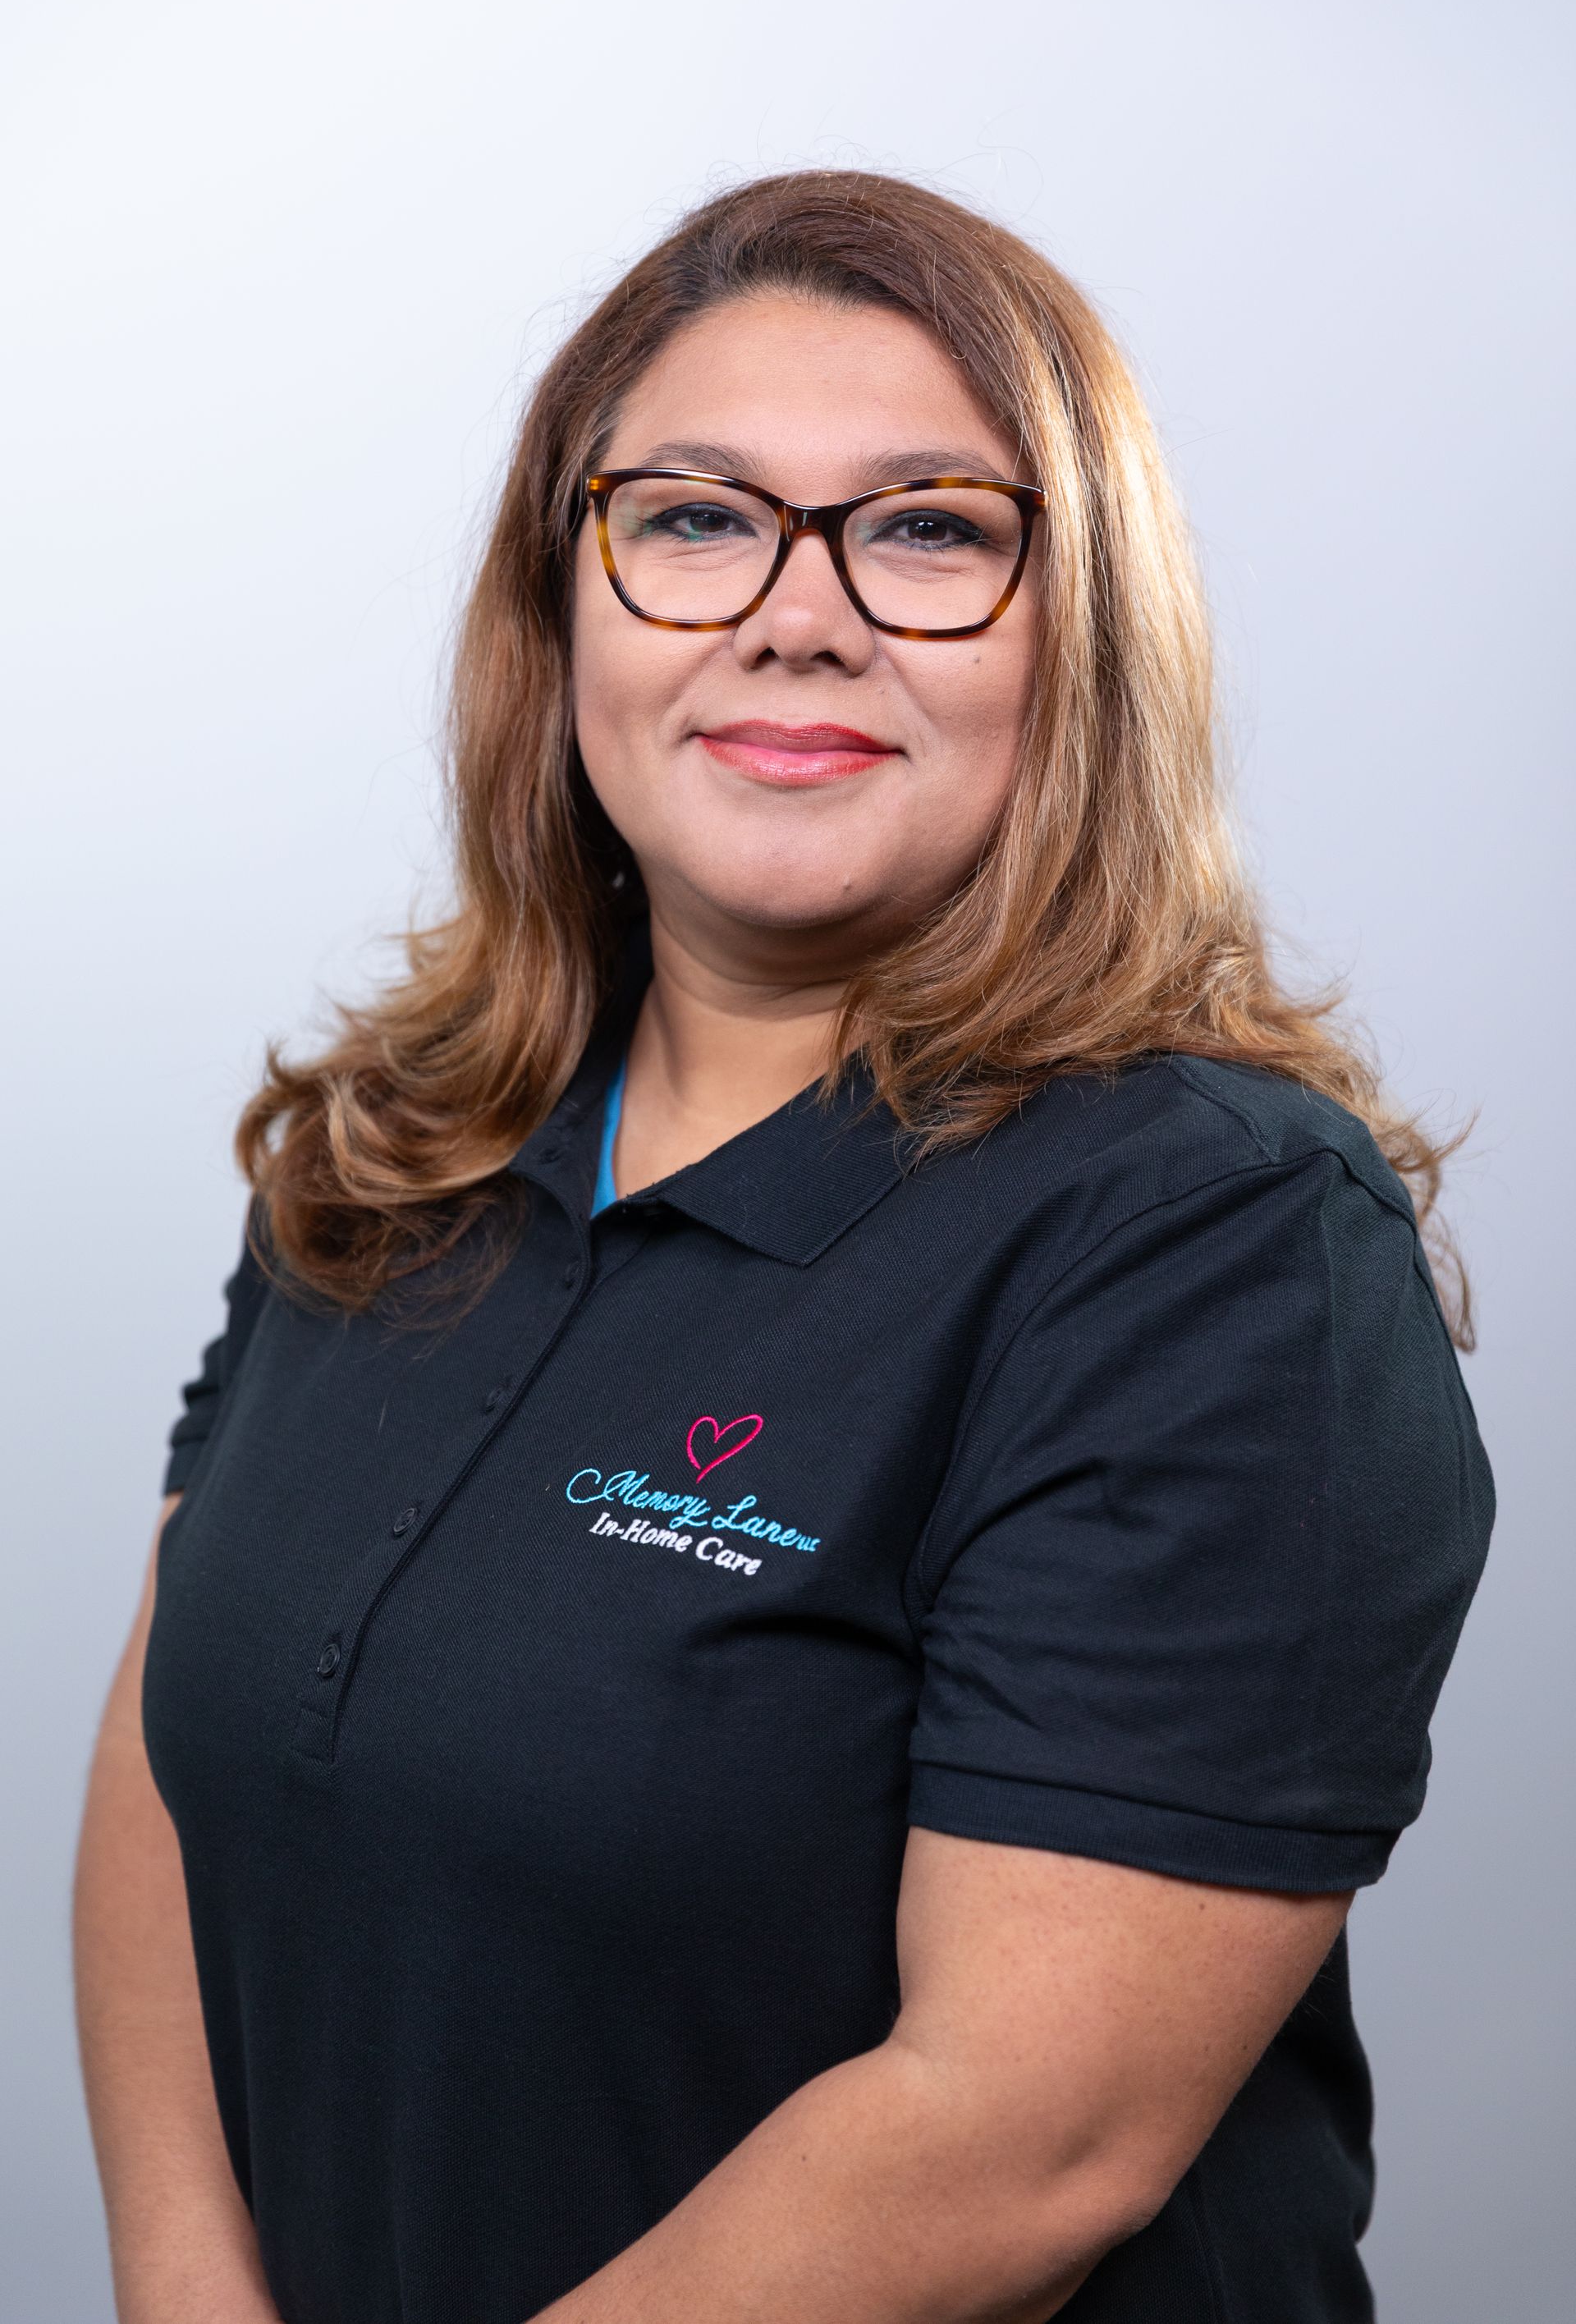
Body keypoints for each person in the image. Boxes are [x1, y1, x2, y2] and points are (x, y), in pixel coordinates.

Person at [72, 169, 1495, 2324]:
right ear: (565, 611)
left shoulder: (1213, 1244)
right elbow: (169, 1764)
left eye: (925, 528)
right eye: (695, 516)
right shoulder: (398, 1147)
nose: (795, 614)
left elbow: (1015, 2141)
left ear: (1083, 638)